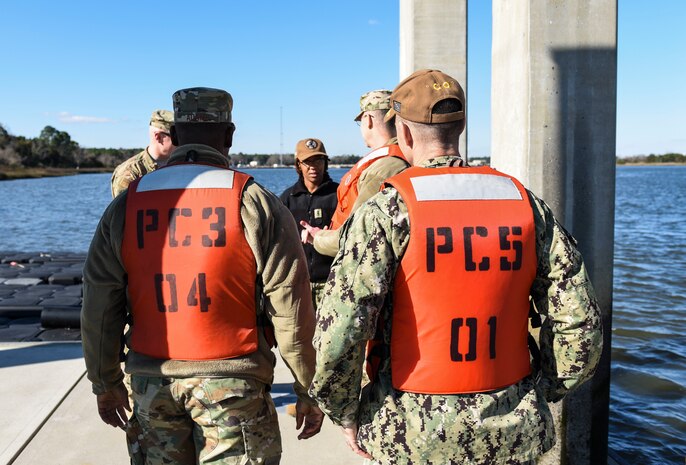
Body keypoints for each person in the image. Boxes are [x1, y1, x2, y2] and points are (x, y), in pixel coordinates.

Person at [309, 69, 603, 464]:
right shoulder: (524, 203)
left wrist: (343, 412)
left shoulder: (387, 210)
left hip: (410, 435)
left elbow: (341, 331)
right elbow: (581, 322)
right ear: (460, 127)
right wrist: (544, 389)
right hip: (513, 431)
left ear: (405, 135)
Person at [82, 87, 323, 465]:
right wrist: (307, 389)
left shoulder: (126, 204)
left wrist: (105, 381)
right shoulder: (254, 201)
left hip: (152, 382)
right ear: (229, 135)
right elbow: (291, 307)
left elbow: (99, 305)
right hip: (233, 387)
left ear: (174, 137)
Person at [300, 90, 409, 256]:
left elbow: (355, 236)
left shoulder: (380, 170)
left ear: (368, 120)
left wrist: (318, 238)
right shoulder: (408, 158)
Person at [279, 138, 338, 311]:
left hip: (332, 284)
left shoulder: (340, 195)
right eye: (307, 161)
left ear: (325, 163)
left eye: (318, 160)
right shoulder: (287, 198)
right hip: (298, 285)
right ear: (298, 165)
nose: (313, 166)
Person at [110, 109, 176, 197]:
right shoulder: (130, 173)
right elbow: (124, 209)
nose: (181, 142)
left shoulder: (182, 165)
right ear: (159, 137)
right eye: (176, 137)